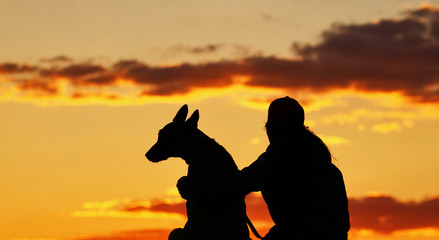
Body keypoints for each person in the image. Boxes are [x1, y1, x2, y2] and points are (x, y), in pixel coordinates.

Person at [178, 96, 350, 240]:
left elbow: (239, 182)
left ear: (273, 130)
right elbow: (345, 223)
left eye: (270, 128)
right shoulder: (331, 171)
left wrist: (194, 184)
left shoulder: (274, 162)